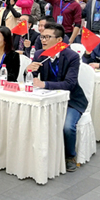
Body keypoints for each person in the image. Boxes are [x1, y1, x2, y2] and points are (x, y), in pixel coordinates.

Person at [27, 23, 88, 172]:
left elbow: (69, 84)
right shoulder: (40, 54)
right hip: (49, 99)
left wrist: (44, 84)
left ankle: (70, 156)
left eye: (48, 37)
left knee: (67, 127)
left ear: (59, 40)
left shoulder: (72, 56)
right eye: (42, 37)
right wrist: (29, 70)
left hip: (72, 100)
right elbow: (30, 79)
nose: (43, 40)